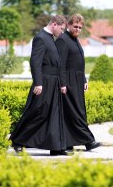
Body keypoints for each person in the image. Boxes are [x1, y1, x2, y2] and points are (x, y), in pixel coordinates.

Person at [10, 15, 73, 156]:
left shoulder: (50, 38)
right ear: (54, 25)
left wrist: (61, 83)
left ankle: (56, 148)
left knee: (55, 115)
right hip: (44, 82)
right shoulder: (40, 38)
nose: (62, 32)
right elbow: (35, 62)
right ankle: (18, 140)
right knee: (38, 113)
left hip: (54, 82)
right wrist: (38, 83)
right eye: (61, 29)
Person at [56, 14, 102, 151]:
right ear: (69, 25)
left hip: (76, 80)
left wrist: (83, 79)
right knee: (76, 112)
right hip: (68, 81)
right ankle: (89, 141)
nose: (78, 29)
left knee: (75, 112)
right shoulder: (63, 40)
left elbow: (79, 62)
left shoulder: (75, 39)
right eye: (75, 26)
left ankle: (69, 143)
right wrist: (62, 84)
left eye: (80, 27)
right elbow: (61, 64)